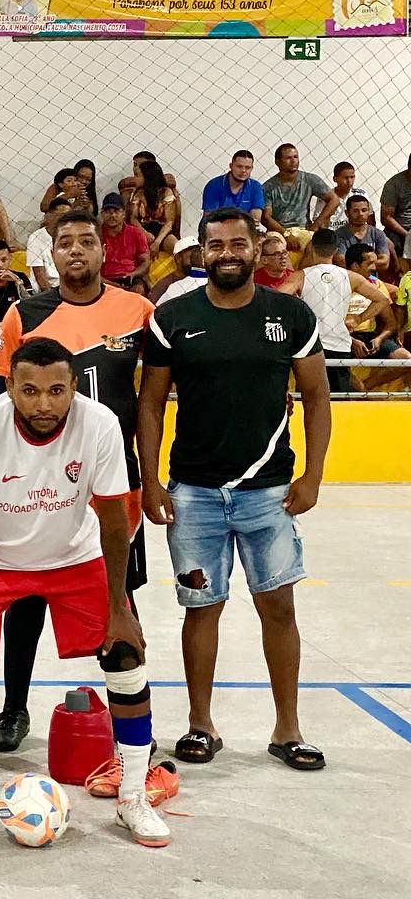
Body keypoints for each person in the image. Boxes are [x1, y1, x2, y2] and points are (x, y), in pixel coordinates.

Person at [0, 337, 170, 847]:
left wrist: (119, 607)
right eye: (29, 391)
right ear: (9, 387)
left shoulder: (100, 424)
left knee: (125, 656)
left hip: (75, 558)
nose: (44, 404)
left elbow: (114, 519)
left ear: (74, 388)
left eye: (56, 390)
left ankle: (133, 796)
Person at [140, 208, 331, 773]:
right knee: (201, 609)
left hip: (269, 495)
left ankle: (288, 729)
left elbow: (317, 396)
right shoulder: (173, 317)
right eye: (216, 244)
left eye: (237, 243)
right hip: (194, 494)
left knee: (279, 607)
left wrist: (313, 475)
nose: (227, 253)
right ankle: (200, 725)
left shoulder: (290, 315)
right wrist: (151, 480)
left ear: (256, 248)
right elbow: (151, 404)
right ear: (202, 252)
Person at [0, 208, 155, 754]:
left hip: (115, 479)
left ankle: (130, 718)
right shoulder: (24, 314)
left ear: (104, 250)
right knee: (26, 596)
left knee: (117, 596)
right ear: (51, 254)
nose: (76, 250)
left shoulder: (138, 312)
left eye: (87, 241)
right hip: (38, 483)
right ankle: (14, 708)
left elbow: (154, 396)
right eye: (65, 243)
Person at [277, 228, 388, 394]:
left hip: (310, 345)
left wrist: (293, 318)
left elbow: (276, 299)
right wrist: (358, 319)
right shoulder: (351, 277)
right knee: (339, 400)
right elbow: (382, 300)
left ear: (312, 248)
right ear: (336, 250)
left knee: (310, 398)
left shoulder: (300, 276)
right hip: (339, 345)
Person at [343, 242, 410, 389]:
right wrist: (352, 341)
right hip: (342, 337)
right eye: (370, 263)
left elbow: (391, 323)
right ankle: (357, 390)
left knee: (407, 359)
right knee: (331, 361)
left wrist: (379, 339)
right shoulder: (339, 284)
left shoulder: (376, 284)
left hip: (369, 336)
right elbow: (327, 324)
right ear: (355, 266)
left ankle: (365, 388)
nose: (375, 267)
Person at [262, 143, 334, 250]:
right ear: (277, 162)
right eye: (288, 158)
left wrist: (317, 224)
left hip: (304, 229)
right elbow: (266, 218)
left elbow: (334, 199)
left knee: (317, 248)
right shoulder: (268, 187)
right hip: (278, 231)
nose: (293, 161)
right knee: (274, 247)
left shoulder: (309, 179)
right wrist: (286, 234)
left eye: (295, 157)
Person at [127, 157, 181, 256]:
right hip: (142, 230)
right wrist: (145, 233)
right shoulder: (138, 193)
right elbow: (133, 219)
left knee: (178, 249)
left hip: (162, 232)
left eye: (138, 176)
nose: (134, 179)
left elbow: (169, 222)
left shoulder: (166, 192)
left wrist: (157, 242)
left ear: (147, 177)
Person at [100, 193, 151, 292]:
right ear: (102, 214)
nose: (112, 215)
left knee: (138, 290)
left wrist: (133, 274)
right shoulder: (96, 235)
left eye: (116, 211)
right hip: (104, 280)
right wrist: (113, 285)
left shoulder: (136, 233)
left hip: (130, 278)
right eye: (108, 212)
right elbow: (92, 269)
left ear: (123, 213)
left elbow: (145, 262)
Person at [202, 150, 265, 227]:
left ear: (252, 168)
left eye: (247, 167)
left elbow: (255, 220)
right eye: (239, 166)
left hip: (245, 230)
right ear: (231, 166)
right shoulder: (214, 185)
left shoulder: (256, 187)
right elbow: (210, 220)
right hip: (218, 230)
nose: (243, 171)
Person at [334, 193, 391, 274]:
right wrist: (370, 264)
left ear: (369, 212)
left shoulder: (378, 234)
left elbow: (384, 263)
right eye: (355, 211)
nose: (360, 214)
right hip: (348, 278)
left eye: (364, 210)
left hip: (372, 279)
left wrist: (359, 265)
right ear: (347, 213)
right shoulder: (338, 235)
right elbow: (341, 262)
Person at [25, 198, 68, 290]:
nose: (66, 220)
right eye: (61, 216)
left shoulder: (72, 236)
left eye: (69, 216)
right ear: (49, 216)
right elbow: (40, 277)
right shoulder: (35, 238)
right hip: (48, 289)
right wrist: (52, 296)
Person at [149, 237, 207, 306]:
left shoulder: (204, 277)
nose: (196, 255)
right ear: (178, 258)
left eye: (197, 251)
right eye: (192, 251)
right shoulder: (164, 285)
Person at [378, 152, 411, 262]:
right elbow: (386, 218)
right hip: (400, 229)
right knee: (391, 244)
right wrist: (407, 235)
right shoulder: (393, 185)